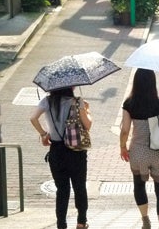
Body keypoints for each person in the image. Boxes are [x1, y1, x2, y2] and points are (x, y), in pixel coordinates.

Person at [120, 68, 159, 229]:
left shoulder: (129, 103)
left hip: (139, 151)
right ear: (153, 82)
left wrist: (123, 147)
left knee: (139, 185)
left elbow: (125, 130)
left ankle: (145, 220)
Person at [30, 87, 92, 229]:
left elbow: (33, 118)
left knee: (62, 190)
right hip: (76, 151)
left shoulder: (47, 101)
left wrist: (44, 134)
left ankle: (61, 224)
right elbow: (87, 125)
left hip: (57, 151)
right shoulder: (77, 102)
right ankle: (81, 222)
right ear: (71, 87)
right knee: (79, 187)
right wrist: (87, 110)